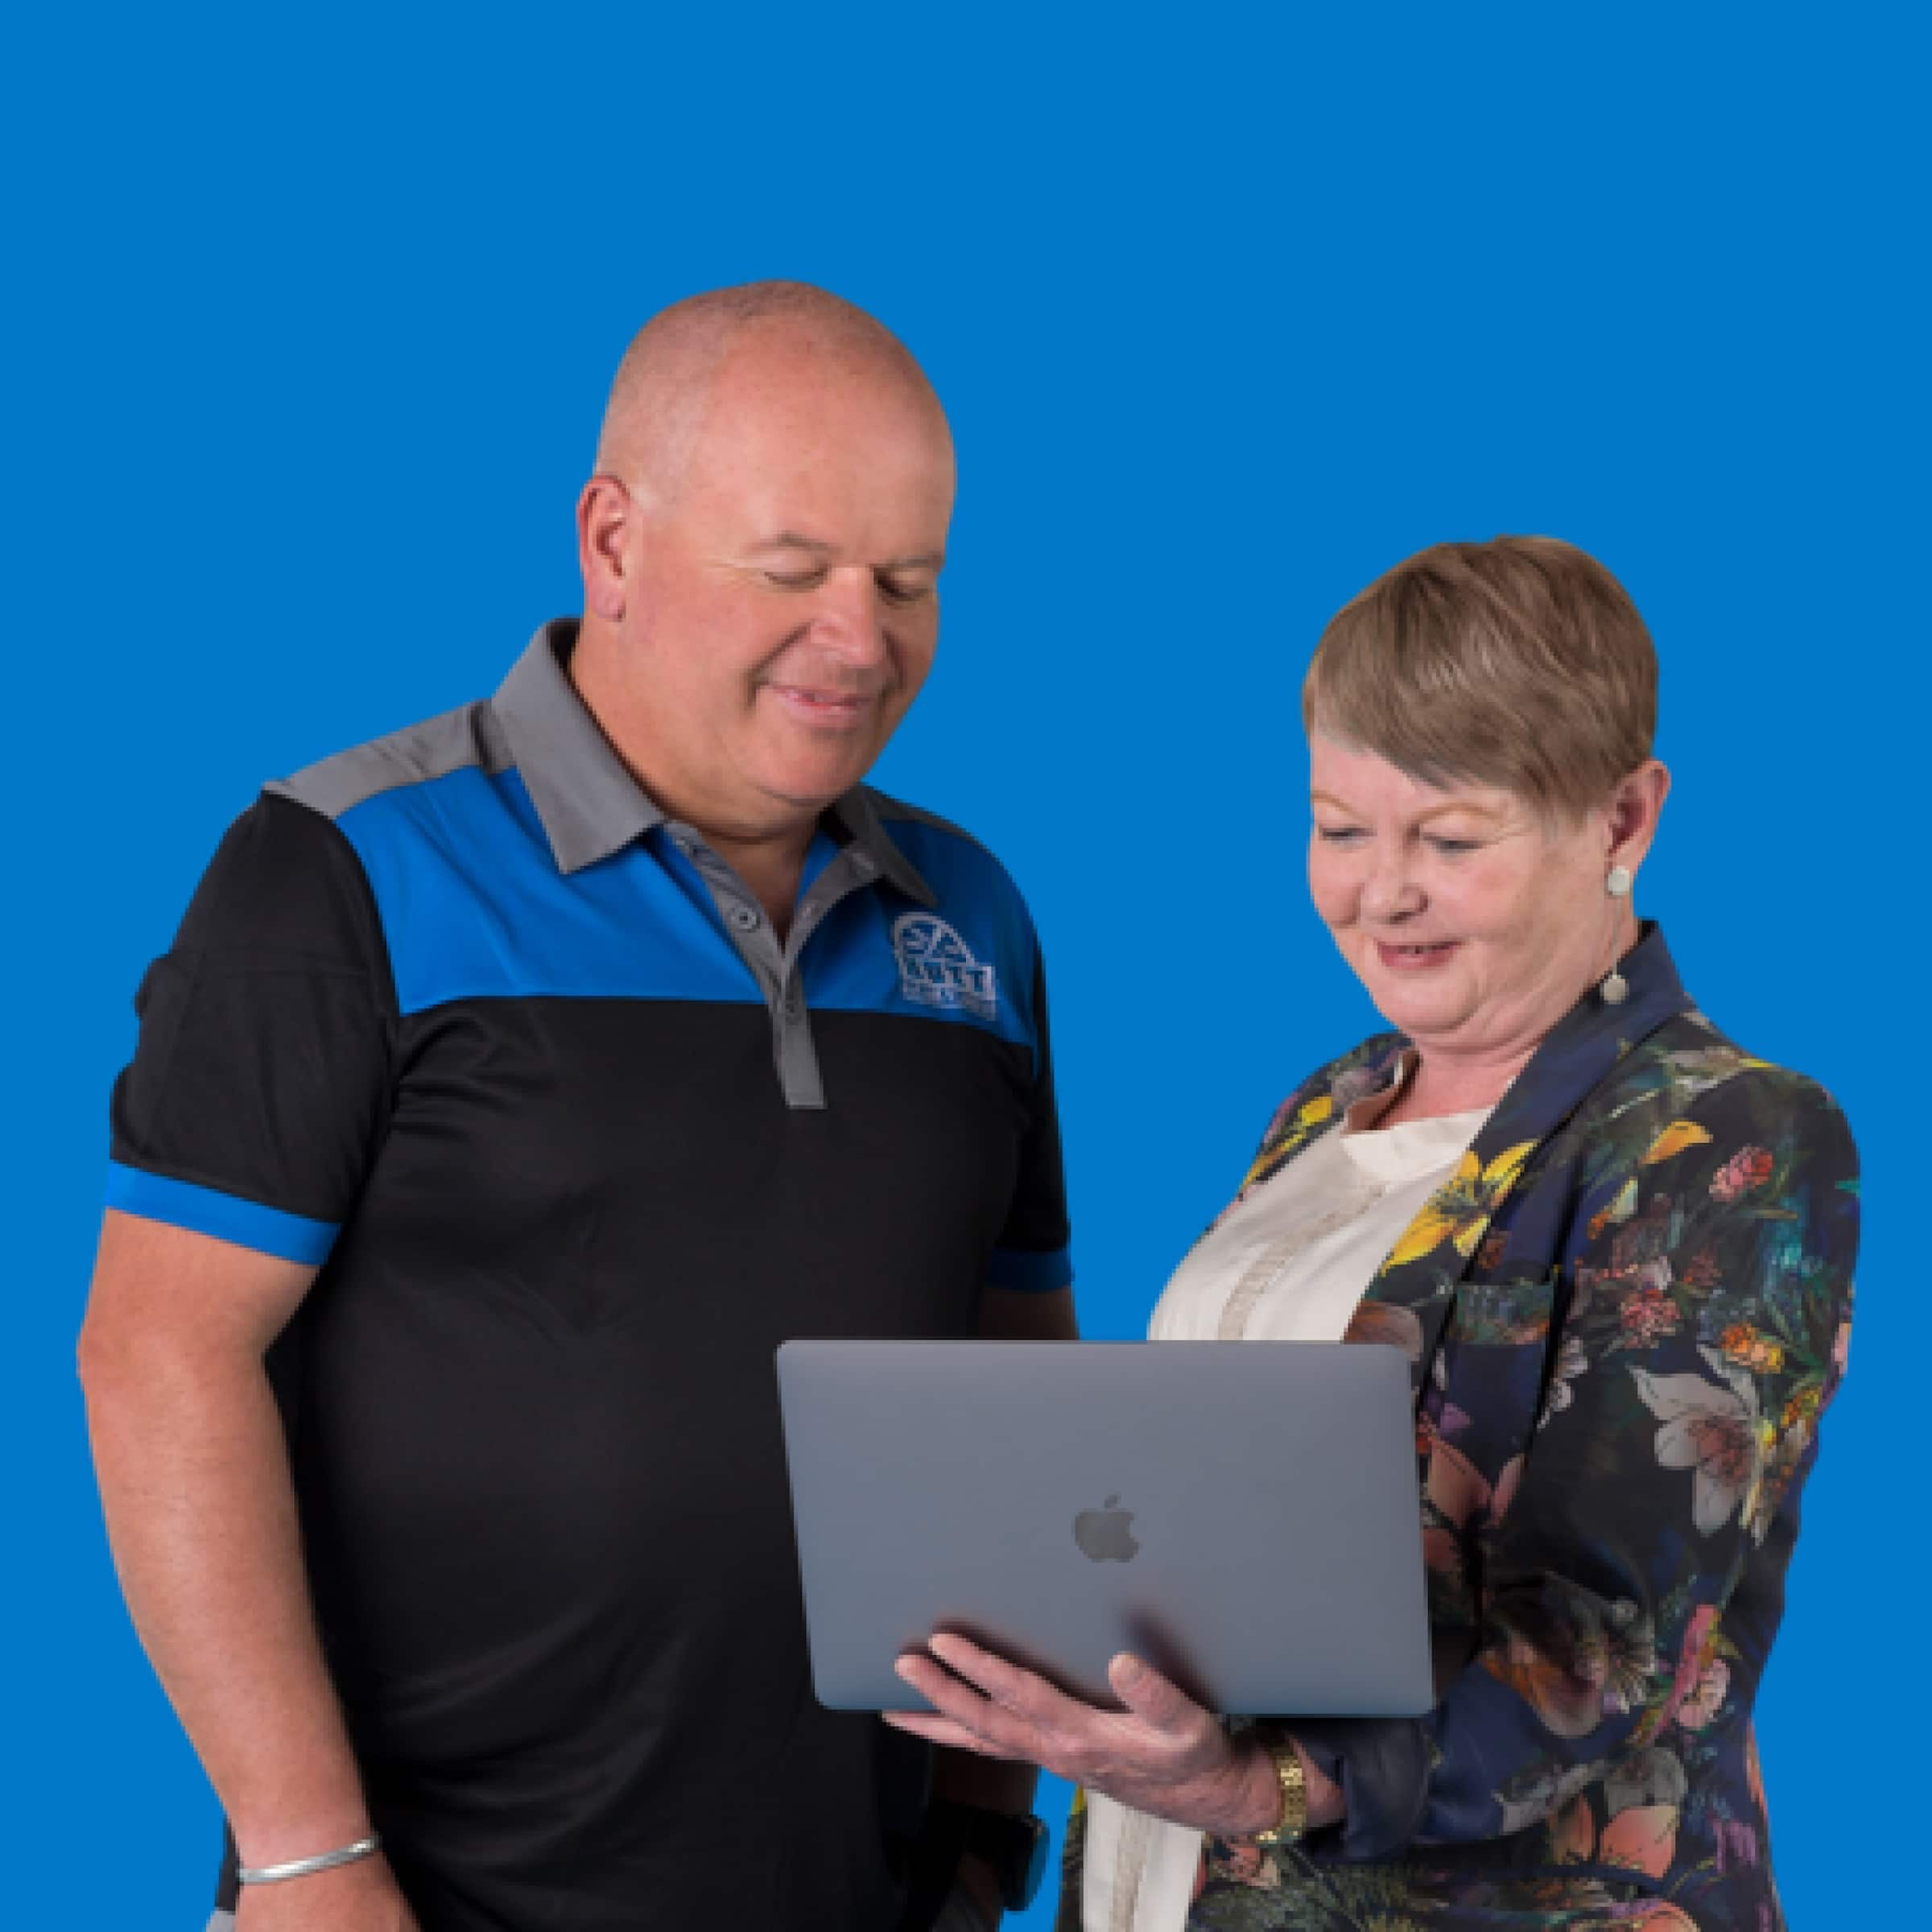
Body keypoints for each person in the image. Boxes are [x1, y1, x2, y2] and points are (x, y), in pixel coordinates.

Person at [78, 281, 1075, 1932]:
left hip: (866, 1892)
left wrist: (982, 1831)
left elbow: (1015, 1383)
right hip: (435, 1899)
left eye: (908, 581)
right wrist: (304, 1859)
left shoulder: (967, 912)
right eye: (794, 569)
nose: (861, 637)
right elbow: (157, 1355)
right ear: (612, 543)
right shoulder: (344, 872)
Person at [888, 538, 1857, 1932]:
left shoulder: (1727, 1138)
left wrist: (1256, 1786)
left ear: (1624, 820)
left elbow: (1603, 1652)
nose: (1381, 892)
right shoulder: (1327, 1108)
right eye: (1342, 828)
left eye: (1452, 839)